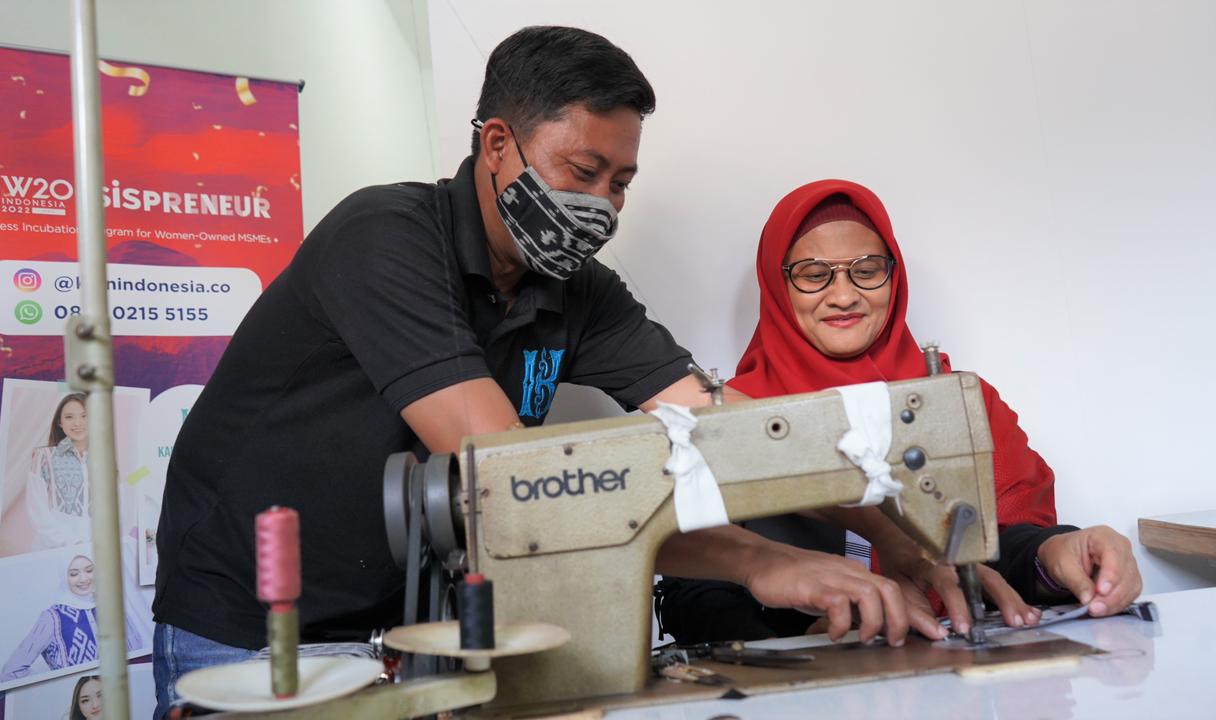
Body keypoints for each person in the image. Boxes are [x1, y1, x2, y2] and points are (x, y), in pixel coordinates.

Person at [151, 26, 925, 717]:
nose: (603, 205)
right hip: (252, 639)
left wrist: (891, 529)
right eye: (583, 170)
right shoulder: (383, 240)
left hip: (404, 630)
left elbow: (729, 426)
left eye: (620, 182)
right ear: (497, 145)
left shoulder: (579, 290)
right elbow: (521, 486)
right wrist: (761, 562)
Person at [656, 180, 1142, 643]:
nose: (844, 295)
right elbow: (693, 595)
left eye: (867, 270)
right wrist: (799, 644)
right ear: (776, 284)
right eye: (813, 274)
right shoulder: (730, 416)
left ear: (894, 275)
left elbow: (1002, 548)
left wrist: (1053, 552)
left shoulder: (960, 402)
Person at [0, 554, 143, 680]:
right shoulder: (52, 618)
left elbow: (135, 652)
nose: (84, 579)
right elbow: (11, 672)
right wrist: (57, 682)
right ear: (64, 576)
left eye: (89, 570)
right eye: (74, 574)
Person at [27, 392, 90, 550]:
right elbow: (36, 507)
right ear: (60, 422)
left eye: (85, 416)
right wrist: (67, 543)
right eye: (69, 417)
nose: (78, 423)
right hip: (52, 549)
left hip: (92, 551)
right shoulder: (43, 456)